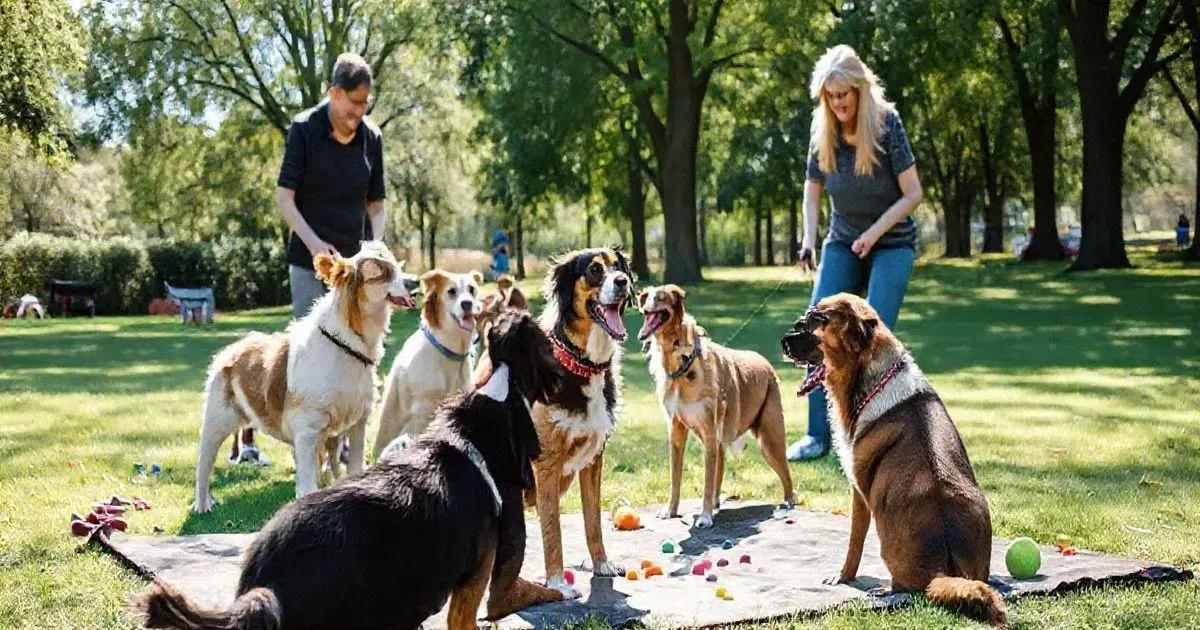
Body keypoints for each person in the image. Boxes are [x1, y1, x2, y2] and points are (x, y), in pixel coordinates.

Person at [232, 52, 387, 465]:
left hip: (353, 271)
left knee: (357, 350)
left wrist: (374, 248)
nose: (359, 112)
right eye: (353, 102)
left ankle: (342, 445)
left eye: (365, 104)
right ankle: (305, 442)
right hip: (309, 259)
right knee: (311, 355)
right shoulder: (304, 130)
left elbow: (376, 205)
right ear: (335, 93)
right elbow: (285, 200)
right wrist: (315, 243)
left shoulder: (371, 138)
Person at [787, 45, 924, 461]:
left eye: (844, 94)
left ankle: (872, 437)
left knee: (870, 340)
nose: (838, 103)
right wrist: (808, 239)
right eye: (830, 96)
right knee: (816, 329)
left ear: (860, 90)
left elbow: (913, 194)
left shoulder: (886, 124)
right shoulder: (822, 131)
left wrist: (874, 233)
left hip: (892, 243)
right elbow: (812, 192)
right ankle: (817, 436)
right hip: (844, 240)